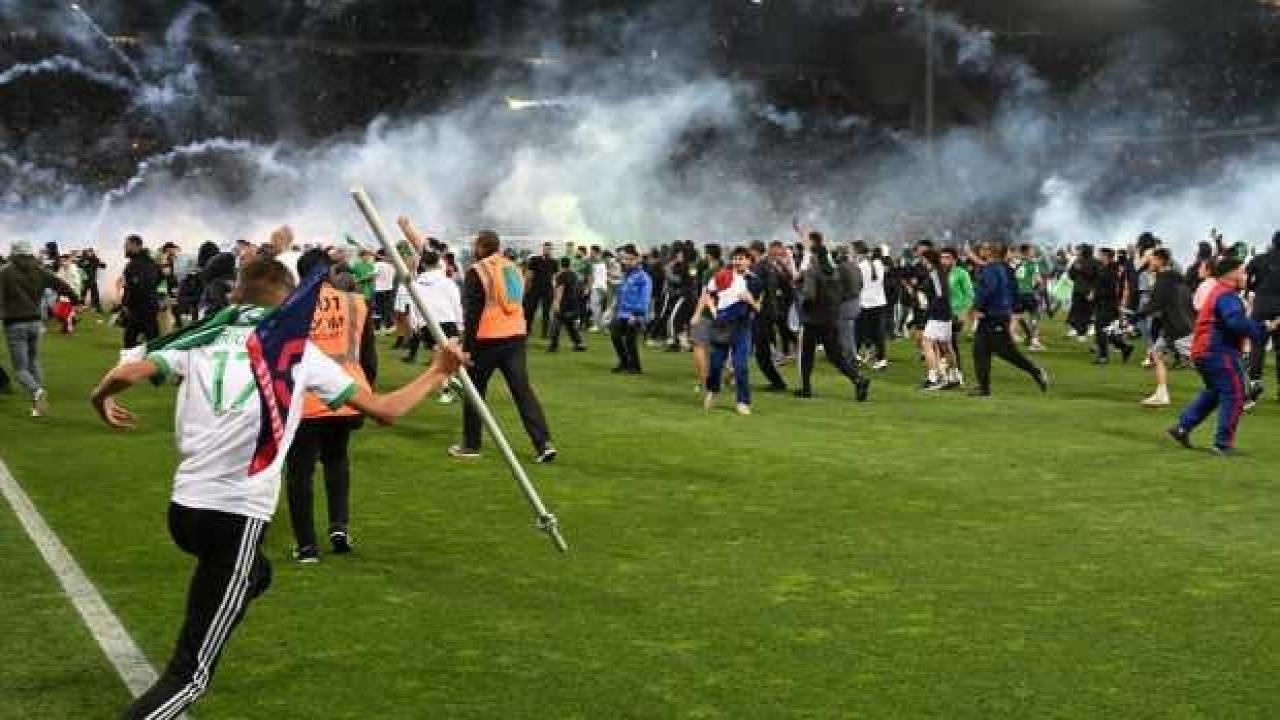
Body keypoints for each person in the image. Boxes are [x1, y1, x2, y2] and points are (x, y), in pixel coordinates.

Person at [91, 258, 462, 719]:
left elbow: (128, 372)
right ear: (288, 305)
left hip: (184, 511)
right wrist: (438, 371)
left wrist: (100, 399)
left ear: (233, 296)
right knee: (189, 677)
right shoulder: (299, 353)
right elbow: (385, 410)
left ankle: (222, 605)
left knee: (257, 573)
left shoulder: (201, 337)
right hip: (236, 515)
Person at [284, 249, 378, 563]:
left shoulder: (290, 307)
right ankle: (339, 527)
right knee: (337, 461)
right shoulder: (356, 302)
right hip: (349, 393)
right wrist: (369, 398)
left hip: (305, 399)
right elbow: (368, 357)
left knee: (300, 473)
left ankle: (307, 546)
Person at [452, 231, 556, 463]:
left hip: (486, 340)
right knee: (523, 391)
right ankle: (544, 443)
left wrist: (466, 347)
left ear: (480, 247)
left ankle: (471, 444)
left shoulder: (477, 271)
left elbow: (473, 313)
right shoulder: (513, 267)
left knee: (474, 392)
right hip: (515, 337)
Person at [1168, 256, 1280, 456]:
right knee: (1235, 394)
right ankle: (1222, 444)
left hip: (1204, 351)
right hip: (1218, 351)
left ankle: (1182, 427)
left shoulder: (1218, 292)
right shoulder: (1227, 295)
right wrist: (1261, 327)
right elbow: (1235, 323)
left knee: (1214, 392)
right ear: (1233, 273)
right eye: (1243, 271)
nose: (1246, 276)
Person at [1, 240, 81, 417]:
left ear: (14, 253)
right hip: (36, 322)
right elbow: (61, 285)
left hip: (14, 323)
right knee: (34, 361)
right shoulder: (40, 270)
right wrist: (75, 300)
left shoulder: (5, 273)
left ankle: (37, 392)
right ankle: (38, 404)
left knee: (20, 369)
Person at [969, 243, 1049, 397]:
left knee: (1007, 352)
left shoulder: (992, 269)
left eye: (985, 249)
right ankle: (983, 388)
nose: (981, 251)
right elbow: (1014, 290)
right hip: (998, 314)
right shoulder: (1005, 268)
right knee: (980, 351)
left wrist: (978, 307)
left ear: (990, 252)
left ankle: (1036, 370)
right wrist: (1011, 307)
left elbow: (988, 289)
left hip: (993, 315)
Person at [794, 242, 871, 402]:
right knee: (836, 356)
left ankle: (806, 388)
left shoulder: (812, 272)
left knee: (806, 354)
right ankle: (858, 379)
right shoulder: (834, 272)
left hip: (813, 319)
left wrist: (802, 299)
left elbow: (809, 295)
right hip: (830, 318)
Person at [703, 247, 760, 415]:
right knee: (714, 365)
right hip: (721, 325)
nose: (737, 261)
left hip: (742, 327)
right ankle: (713, 391)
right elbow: (707, 292)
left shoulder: (756, 281)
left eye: (741, 258)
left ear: (749, 260)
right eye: (735, 258)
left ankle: (742, 401)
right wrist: (713, 309)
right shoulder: (722, 275)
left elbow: (760, 308)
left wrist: (751, 301)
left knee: (741, 366)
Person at [1134, 248, 1192, 407]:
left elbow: (1155, 303)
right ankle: (1161, 394)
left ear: (1160, 260)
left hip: (1179, 329)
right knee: (1156, 353)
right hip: (1173, 328)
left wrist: (1137, 315)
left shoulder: (1164, 279)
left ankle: (1238, 390)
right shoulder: (1174, 277)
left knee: (1205, 362)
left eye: (1151, 259)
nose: (1148, 263)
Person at [748, 240, 787, 392]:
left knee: (760, 352)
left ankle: (778, 382)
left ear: (754, 251)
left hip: (762, 313)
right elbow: (784, 284)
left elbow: (756, 290)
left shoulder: (759, 267)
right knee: (760, 349)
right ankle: (777, 381)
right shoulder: (770, 265)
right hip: (769, 312)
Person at [1246, 230, 1280, 400]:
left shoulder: (1259, 259)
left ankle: (1255, 383)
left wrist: (1253, 290)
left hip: (1261, 306)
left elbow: (1247, 280)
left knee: (1257, 347)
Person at [917, 249, 956, 391]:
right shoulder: (942, 272)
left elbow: (940, 295)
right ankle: (954, 376)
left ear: (928, 260)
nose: (922, 262)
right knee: (946, 345)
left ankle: (933, 378)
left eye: (923, 259)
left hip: (938, 314)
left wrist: (929, 308)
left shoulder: (935, 274)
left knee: (926, 343)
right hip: (946, 314)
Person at [611, 244, 651, 374]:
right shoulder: (627, 275)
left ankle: (635, 367)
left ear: (637, 259)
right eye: (625, 259)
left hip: (634, 314)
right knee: (615, 335)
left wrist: (636, 314)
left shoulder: (643, 277)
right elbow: (621, 294)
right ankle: (624, 362)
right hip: (622, 313)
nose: (626, 261)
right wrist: (614, 307)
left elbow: (644, 298)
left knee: (630, 340)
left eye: (629, 259)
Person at [1092, 248, 1135, 365]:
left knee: (1100, 329)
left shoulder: (1112, 270)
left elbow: (1112, 289)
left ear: (1106, 256)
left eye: (1100, 254)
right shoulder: (1105, 268)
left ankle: (1103, 356)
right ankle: (1125, 347)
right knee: (1107, 331)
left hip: (1108, 303)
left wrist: (1097, 294)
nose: (1098, 256)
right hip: (1104, 303)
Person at [121, 235, 164, 348]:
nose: (125, 248)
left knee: (130, 341)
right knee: (153, 340)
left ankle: (132, 363)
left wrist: (127, 303)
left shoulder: (136, 264)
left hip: (140, 308)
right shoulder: (151, 262)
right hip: (150, 306)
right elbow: (159, 278)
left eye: (127, 246)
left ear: (136, 246)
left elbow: (136, 287)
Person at [853, 241, 888, 369]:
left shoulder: (861, 266)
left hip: (865, 303)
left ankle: (854, 357)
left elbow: (856, 284)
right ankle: (881, 360)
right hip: (879, 302)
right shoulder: (878, 263)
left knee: (858, 331)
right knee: (877, 333)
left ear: (857, 252)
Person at [941, 246, 972, 387]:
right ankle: (950, 373)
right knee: (943, 344)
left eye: (947, 258)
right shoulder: (940, 273)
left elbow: (969, 295)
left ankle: (956, 374)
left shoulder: (961, 273)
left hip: (955, 313)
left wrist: (963, 313)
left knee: (950, 343)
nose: (944, 260)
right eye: (942, 257)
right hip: (941, 312)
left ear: (954, 259)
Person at [548, 257, 587, 352]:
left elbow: (560, 289)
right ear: (569, 264)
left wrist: (556, 303)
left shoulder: (562, 276)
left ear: (560, 265)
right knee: (570, 325)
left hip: (564, 304)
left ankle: (554, 345)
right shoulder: (575, 275)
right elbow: (580, 290)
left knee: (555, 324)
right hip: (574, 304)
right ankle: (579, 344)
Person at [523, 242, 557, 338]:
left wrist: (554, 289)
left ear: (551, 250)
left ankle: (544, 333)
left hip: (548, 289)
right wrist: (527, 287)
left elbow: (554, 277)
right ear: (543, 249)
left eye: (549, 249)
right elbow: (529, 274)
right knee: (530, 310)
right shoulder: (535, 259)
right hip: (535, 288)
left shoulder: (554, 262)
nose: (548, 250)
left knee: (546, 312)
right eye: (546, 248)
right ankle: (527, 329)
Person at [373, 250, 397, 333]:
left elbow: (374, 275)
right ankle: (389, 326)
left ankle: (377, 328)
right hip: (389, 289)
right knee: (387, 309)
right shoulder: (392, 266)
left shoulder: (376, 265)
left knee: (377, 309)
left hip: (378, 289)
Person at [77, 248, 106, 313]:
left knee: (95, 295)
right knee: (82, 295)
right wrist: (84, 263)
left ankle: (97, 308)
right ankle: (80, 307)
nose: (90, 253)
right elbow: (79, 264)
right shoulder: (83, 259)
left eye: (91, 252)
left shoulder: (95, 260)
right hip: (84, 280)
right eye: (89, 252)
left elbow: (103, 266)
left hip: (92, 280)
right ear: (87, 253)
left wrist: (101, 262)